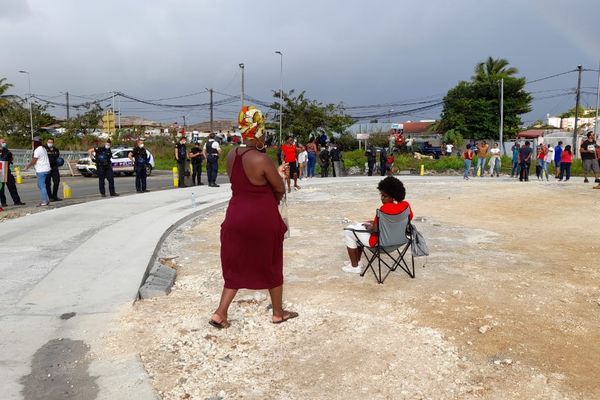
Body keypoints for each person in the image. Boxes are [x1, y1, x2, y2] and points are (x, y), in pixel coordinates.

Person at [210, 106, 297, 328]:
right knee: (271, 261)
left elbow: (244, 183)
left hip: (235, 216)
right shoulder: (261, 159)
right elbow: (279, 189)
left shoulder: (232, 155)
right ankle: (278, 312)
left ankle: (220, 312)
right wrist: (278, 174)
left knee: (235, 264)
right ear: (259, 131)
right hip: (261, 218)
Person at [342, 176, 413, 273]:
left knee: (350, 230)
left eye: (385, 196)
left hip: (381, 244)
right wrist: (375, 223)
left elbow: (374, 230)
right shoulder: (406, 206)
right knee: (358, 231)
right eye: (381, 195)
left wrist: (370, 226)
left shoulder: (383, 210)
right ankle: (357, 261)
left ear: (393, 197)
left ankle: (354, 267)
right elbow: (403, 221)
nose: (382, 198)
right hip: (399, 241)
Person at [23, 137, 52, 206]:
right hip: (47, 169)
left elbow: (34, 160)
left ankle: (44, 201)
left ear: (36, 143)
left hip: (41, 170)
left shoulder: (37, 150)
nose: (32, 143)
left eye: (33, 142)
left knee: (42, 186)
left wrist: (27, 167)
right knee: (41, 185)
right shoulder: (43, 148)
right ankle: (46, 200)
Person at [0, 138, 25, 207]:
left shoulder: (7, 151)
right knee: (1, 189)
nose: (4, 143)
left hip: (7, 171)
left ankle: (17, 201)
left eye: (4, 142)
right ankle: (3, 202)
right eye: (2, 142)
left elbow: (11, 158)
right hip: (0, 172)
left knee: (12, 186)